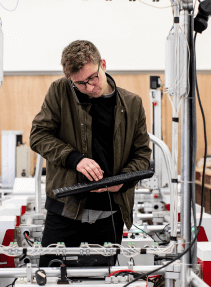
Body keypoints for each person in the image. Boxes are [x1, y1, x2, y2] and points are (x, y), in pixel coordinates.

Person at [30, 40, 151, 265]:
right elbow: (39, 136)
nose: (89, 87)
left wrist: (122, 182)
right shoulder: (60, 91)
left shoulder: (132, 104)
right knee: (51, 282)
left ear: (102, 64)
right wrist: (75, 159)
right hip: (64, 212)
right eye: (79, 84)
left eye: (92, 78)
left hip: (109, 215)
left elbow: (143, 155)